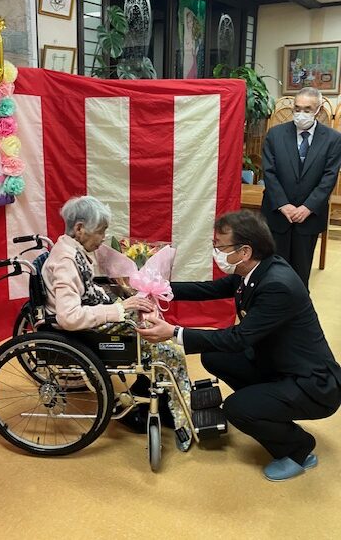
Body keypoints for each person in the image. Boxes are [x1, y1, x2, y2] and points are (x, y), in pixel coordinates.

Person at [137, 210, 341, 481]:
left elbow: (238, 339)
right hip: (276, 362)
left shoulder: (277, 285)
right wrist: (156, 289)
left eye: (220, 247)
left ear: (245, 251)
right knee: (213, 356)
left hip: (313, 384)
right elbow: (209, 290)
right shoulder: (255, 269)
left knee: (236, 409)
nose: (216, 252)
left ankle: (299, 449)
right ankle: (267, 407)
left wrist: (173, 333)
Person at [42, 195, 192, 447]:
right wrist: (120, 308)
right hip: (82, 332)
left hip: (93, 319)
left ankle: (154, 395)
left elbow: (87, 293)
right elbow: (69, 317)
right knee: (170, 351)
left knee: (149, 319)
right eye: (100, 231)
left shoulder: (71, 250)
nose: (103, 238)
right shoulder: (66, 262)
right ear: (79, 228)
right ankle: (180, 417)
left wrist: (125, 299)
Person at [261, 86, 341, 288]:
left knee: (300, 273)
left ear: (318, 110)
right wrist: (283, 204)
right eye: (297, 108)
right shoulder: (275, 134)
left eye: (307, 109)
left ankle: (298, 307)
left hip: (309, 218)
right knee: (272, 272)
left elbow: (329, 177)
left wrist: (307, 207)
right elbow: (268, 172)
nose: (300, 113)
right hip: (278, 215)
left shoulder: (333, 139)